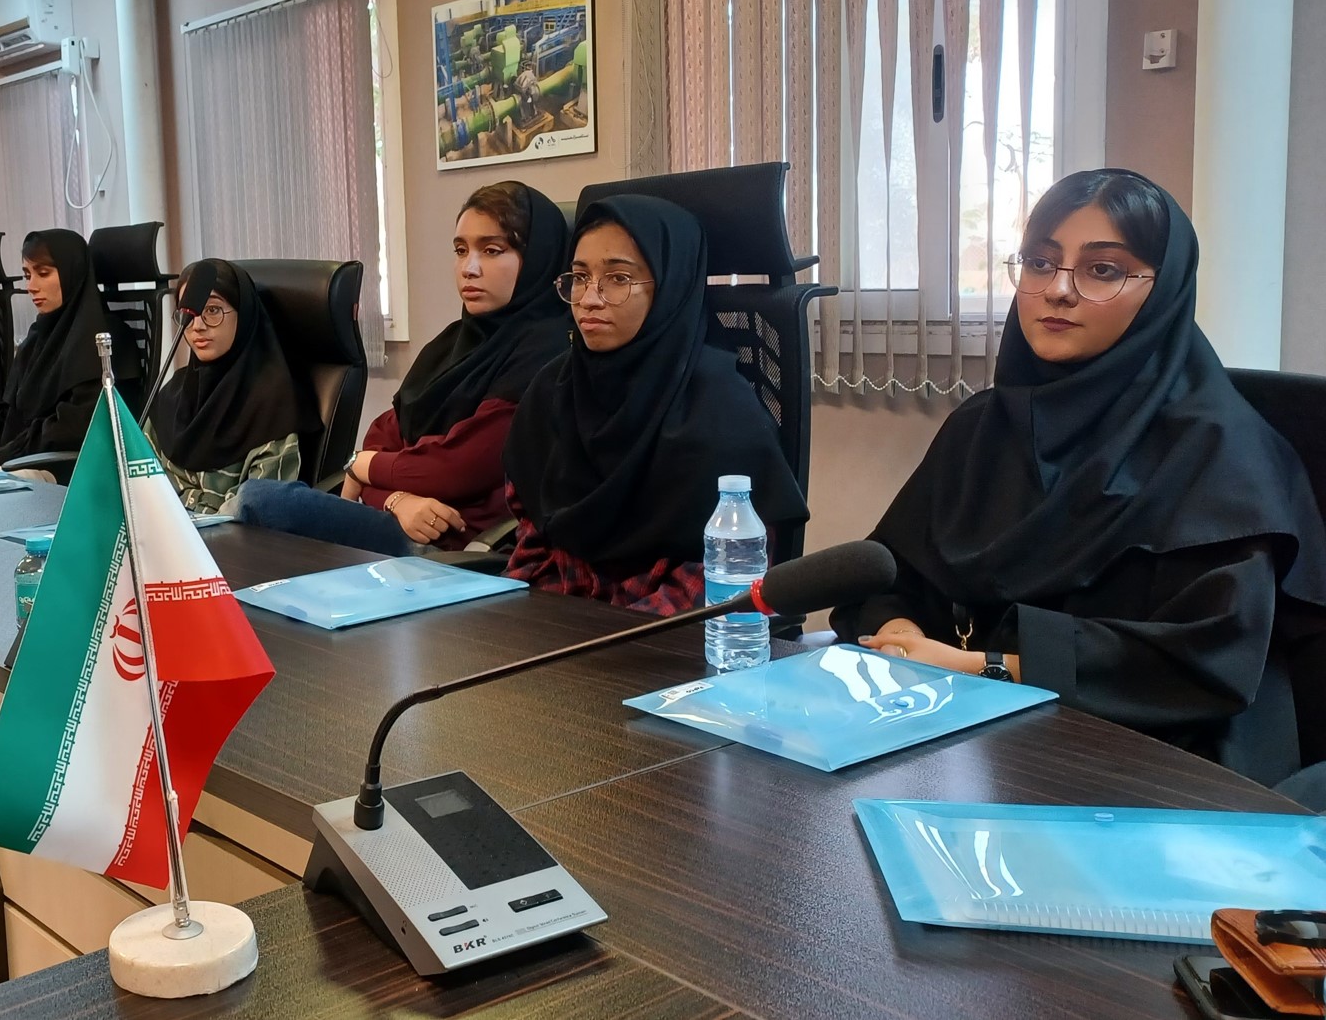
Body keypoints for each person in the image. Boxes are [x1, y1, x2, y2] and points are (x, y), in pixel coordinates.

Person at [834, 170, 1326, 783]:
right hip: (963, 739)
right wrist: (899, 637)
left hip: (1154, 763)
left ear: (1164, 290)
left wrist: (984, 667)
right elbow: (889, 574)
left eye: (1102, 270)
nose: (1058, 291)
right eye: (1040, 263)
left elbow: (1206, 661)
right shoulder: (982, 428)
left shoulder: (1219, 453)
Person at [504, 196, 805, 613]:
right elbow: (530, 542)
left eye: (617, 278)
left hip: (661, 634)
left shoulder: (720, 410)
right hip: (555, 619)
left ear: (669, 287)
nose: (589, 299)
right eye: (580, 276)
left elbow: (726, 583)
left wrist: (609, 633)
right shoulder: (551, 390)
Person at [239, 182, 571, 555]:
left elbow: (456, 469)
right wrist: (395, 498)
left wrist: (363, 468)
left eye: (492, 251)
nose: (469, 268)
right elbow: (382, 436)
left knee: (262, 502)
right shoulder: (453, 342)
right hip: (399, 525)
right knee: (255, 514)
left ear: (538, 258)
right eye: (461, 250)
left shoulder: (548, 352)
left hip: (457, 550)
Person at [145, 261, 308, 514]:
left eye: (212, 310)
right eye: (188, 313)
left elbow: (260, 509)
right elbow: (140, 480)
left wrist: (186, 507)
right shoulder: (173, 393)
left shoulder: (273, 405)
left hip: (232, 538)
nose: (197, 326)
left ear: (243, 314)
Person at [0, 229, 111, 469]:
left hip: (63, 472)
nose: (31, 286)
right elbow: (10, 407)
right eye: (27, 275)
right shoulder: (38, 335)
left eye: (43, 273)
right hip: (19, 463)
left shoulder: (101, 340)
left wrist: (1, 457)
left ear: (72, 273)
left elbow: (73, 428)